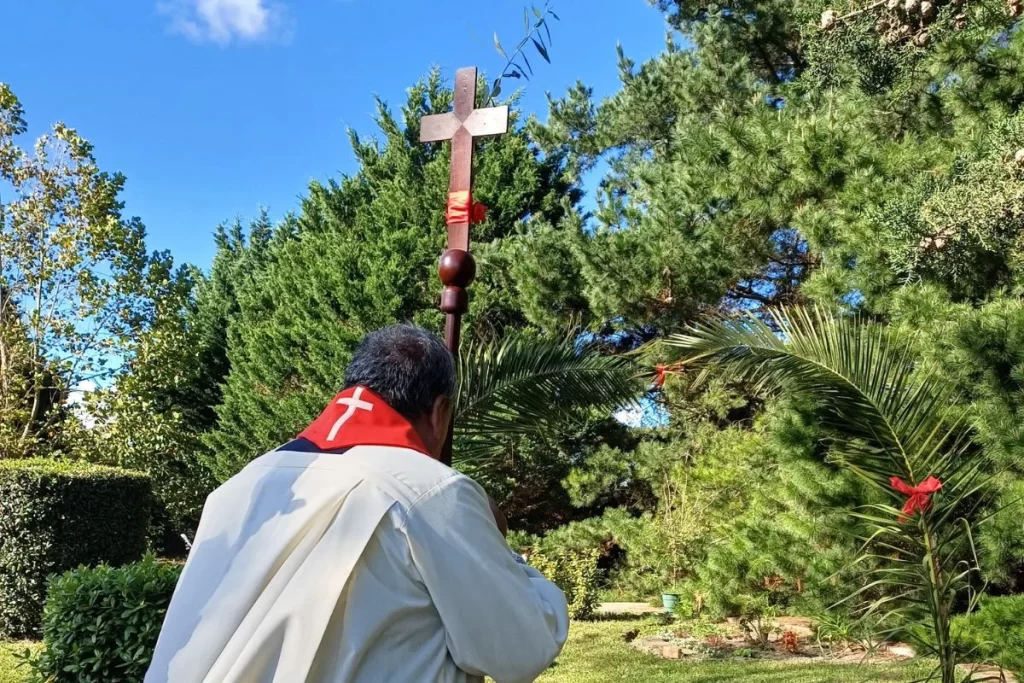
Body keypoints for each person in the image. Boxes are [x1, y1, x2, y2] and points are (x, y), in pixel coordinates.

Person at [144, 325, 569, 683]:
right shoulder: (431, 492)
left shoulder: (242, 484)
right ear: (440, 411)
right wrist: (501, 548)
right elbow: (519, 648)